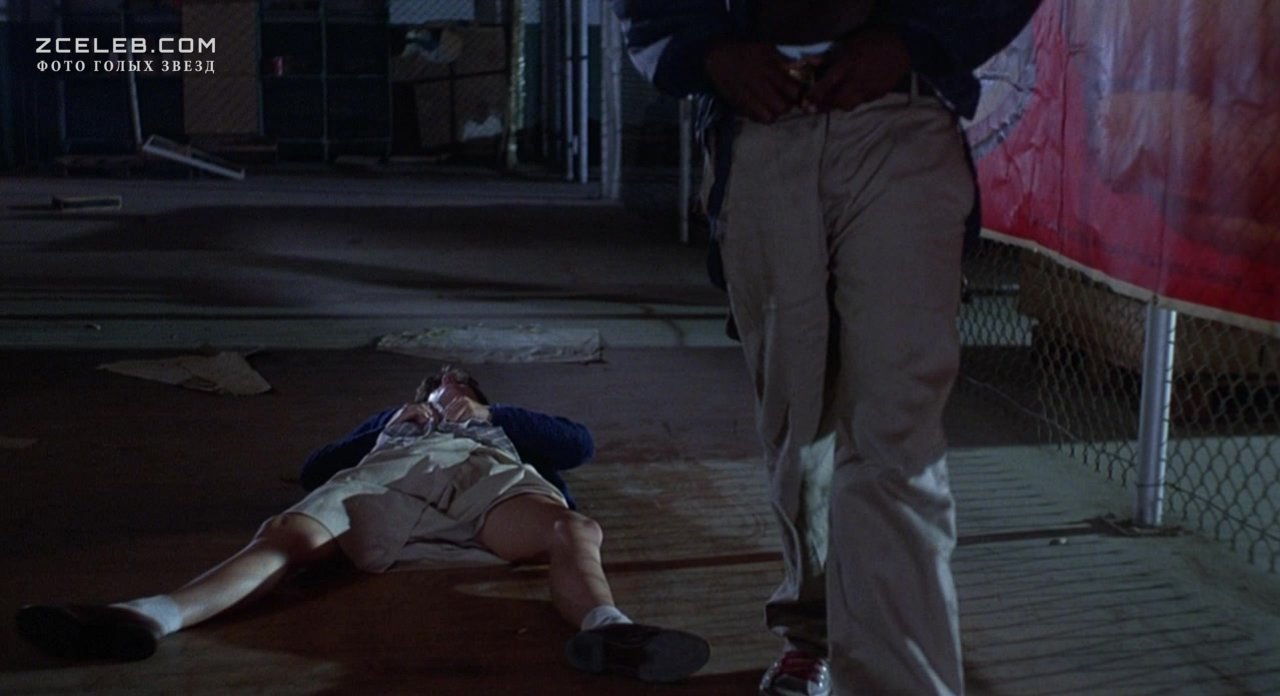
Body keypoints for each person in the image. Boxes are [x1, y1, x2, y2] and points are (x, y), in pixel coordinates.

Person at [614, 2, 1042, 695]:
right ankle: (814, 635)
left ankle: (899, 683)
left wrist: (911, 39)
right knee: (797, 426)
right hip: (758, 125)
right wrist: (709, 50)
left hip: (900, 117)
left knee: (895, 436)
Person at [15, 367, 711, 684]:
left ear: (476, 393)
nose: (446, 391)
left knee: (574, 529)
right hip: (389, 481)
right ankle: (146, 616)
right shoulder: (396, 422)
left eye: (458, 386)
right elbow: (317, 469)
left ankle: (611, 632)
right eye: (437, 387)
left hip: (484, 481)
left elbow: (578, 445)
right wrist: (388, 425)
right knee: (289, 534)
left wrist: (492, 417)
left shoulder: (498, 422)